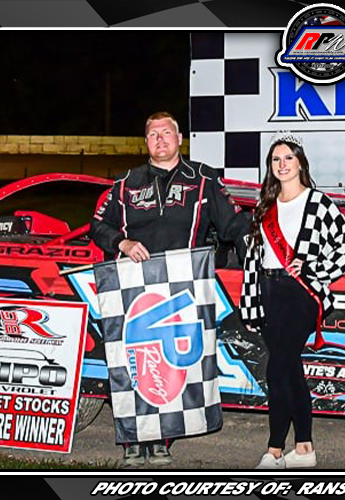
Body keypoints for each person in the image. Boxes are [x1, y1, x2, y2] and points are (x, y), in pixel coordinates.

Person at [91, 111, 250, 466]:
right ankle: (133, 438)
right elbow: (98, 226)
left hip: (182, 286)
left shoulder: (204, 179)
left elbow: (235, 224)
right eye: (153, 134)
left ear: (180, 139)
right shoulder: (126, 183)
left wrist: (255, 259)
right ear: (145, 142)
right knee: (133, 360)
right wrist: (122, 243)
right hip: (132, 285)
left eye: (166, 133)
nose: (160, 139)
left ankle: (163, 436)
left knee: (173, 363)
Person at [239, 136, 345, 469]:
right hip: (268, 292)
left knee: (278, 367)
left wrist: (315, 267)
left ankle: (275, 450)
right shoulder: (264, 205)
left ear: (300, 162)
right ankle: (304, 448)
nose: (282, 164)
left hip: (301, 293)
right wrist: (250, 304)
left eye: (288, 158)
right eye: (275, 159)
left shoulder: (318, 202)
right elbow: (253, 260)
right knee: (289, 369)